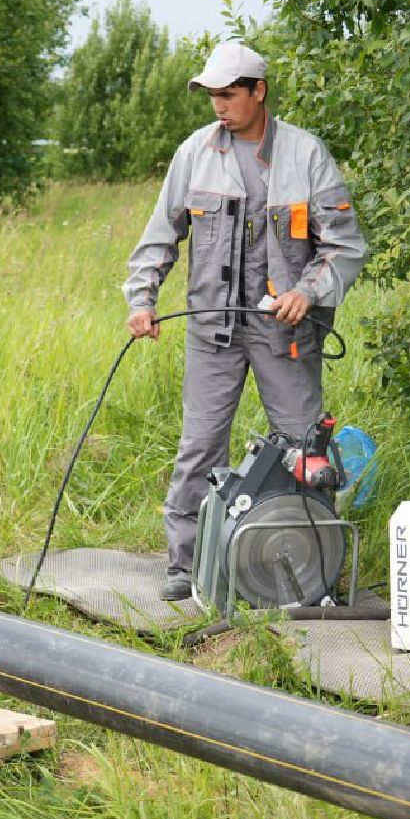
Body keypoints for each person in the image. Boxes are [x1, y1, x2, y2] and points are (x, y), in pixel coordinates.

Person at [124, 41, 366, 601]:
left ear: (259, 91)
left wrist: (308, 292)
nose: (218, 106)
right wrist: (142, 300)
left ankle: (314, 566)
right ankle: (184, 567)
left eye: (228, 94)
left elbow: (345, 246)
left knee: (304, 448)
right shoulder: (194, 154)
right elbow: (161, 235)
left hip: (287, 333)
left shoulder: (307, 155)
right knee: (200, 446)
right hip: (212, 330)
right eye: (212, 95)